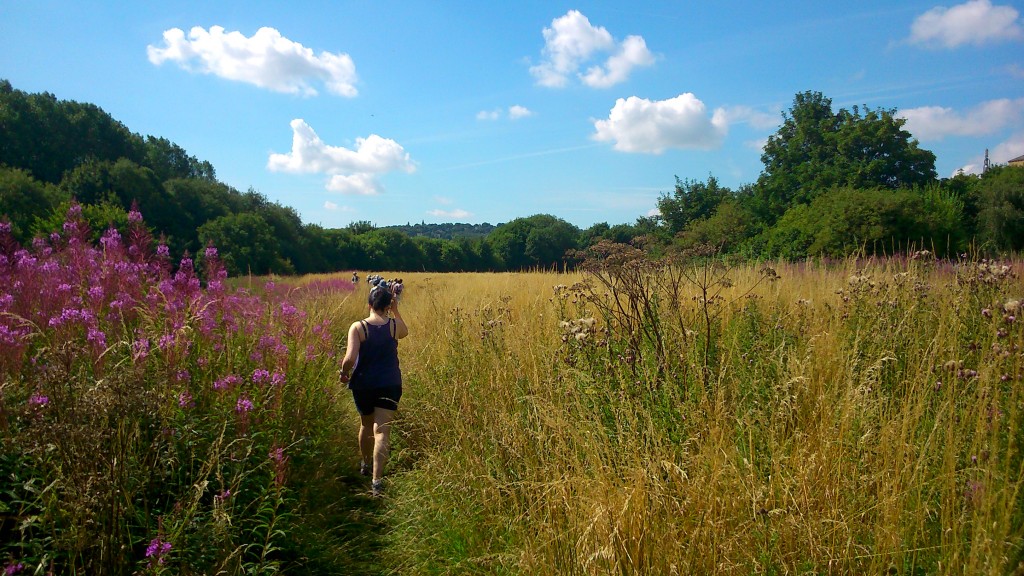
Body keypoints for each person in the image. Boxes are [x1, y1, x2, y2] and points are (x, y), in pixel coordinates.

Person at [339, 282, 408, 496]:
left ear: (369, 303)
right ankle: (377, 481)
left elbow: (350, 358)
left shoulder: (358, 327)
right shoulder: (394, 326)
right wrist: (395, 310)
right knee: (382, 431)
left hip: (364, 384)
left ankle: (365, 464)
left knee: (366, 424)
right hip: (390, 383)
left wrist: (343, 372)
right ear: (388, 304)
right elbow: (405, 331)